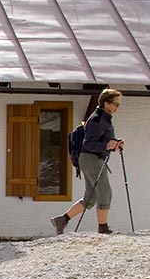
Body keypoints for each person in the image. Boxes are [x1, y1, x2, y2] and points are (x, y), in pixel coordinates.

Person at [52, 89, 125, 235]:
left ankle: (62, 219)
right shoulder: (97, 119)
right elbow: (89, 144)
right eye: (116, 104)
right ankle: (103, 227)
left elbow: (100, 140)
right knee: (105, 192)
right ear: (106, 103)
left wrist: (113, 144)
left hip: (92, 158)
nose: (117, 107)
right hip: (91, 158)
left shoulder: (103, 118)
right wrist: (107, 145)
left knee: (91, 197)